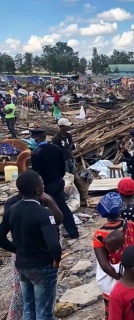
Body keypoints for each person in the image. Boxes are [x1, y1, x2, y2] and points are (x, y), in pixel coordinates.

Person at [0, 170, 63, 320]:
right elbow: (54, 244)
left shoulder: (12, 209)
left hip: (23, 265)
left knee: (29, 308)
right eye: (41, 183)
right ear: (38, 190)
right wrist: (57, 260)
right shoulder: (44, 213)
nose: (43, 185)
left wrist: (16, 250)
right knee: (44, 312)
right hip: (42, 266)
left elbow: (0, 236)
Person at [93, 192, 134, 320]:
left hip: (114, 280)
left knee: (115, 310)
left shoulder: (99, 235)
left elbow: (104, 265)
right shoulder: (133, 226)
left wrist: (120, 278)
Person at [31, 128, 79, 239]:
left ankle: (49, 236)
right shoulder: (55, 148)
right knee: (63, 207)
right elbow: (63, 167)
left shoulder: (36, 152)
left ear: (37, 138)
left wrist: (38, 188)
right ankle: (73, 232)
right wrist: (58, 178)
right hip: (57, 183)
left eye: (33, 138)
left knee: (44, 211)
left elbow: (37, 174)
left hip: (45, 186)